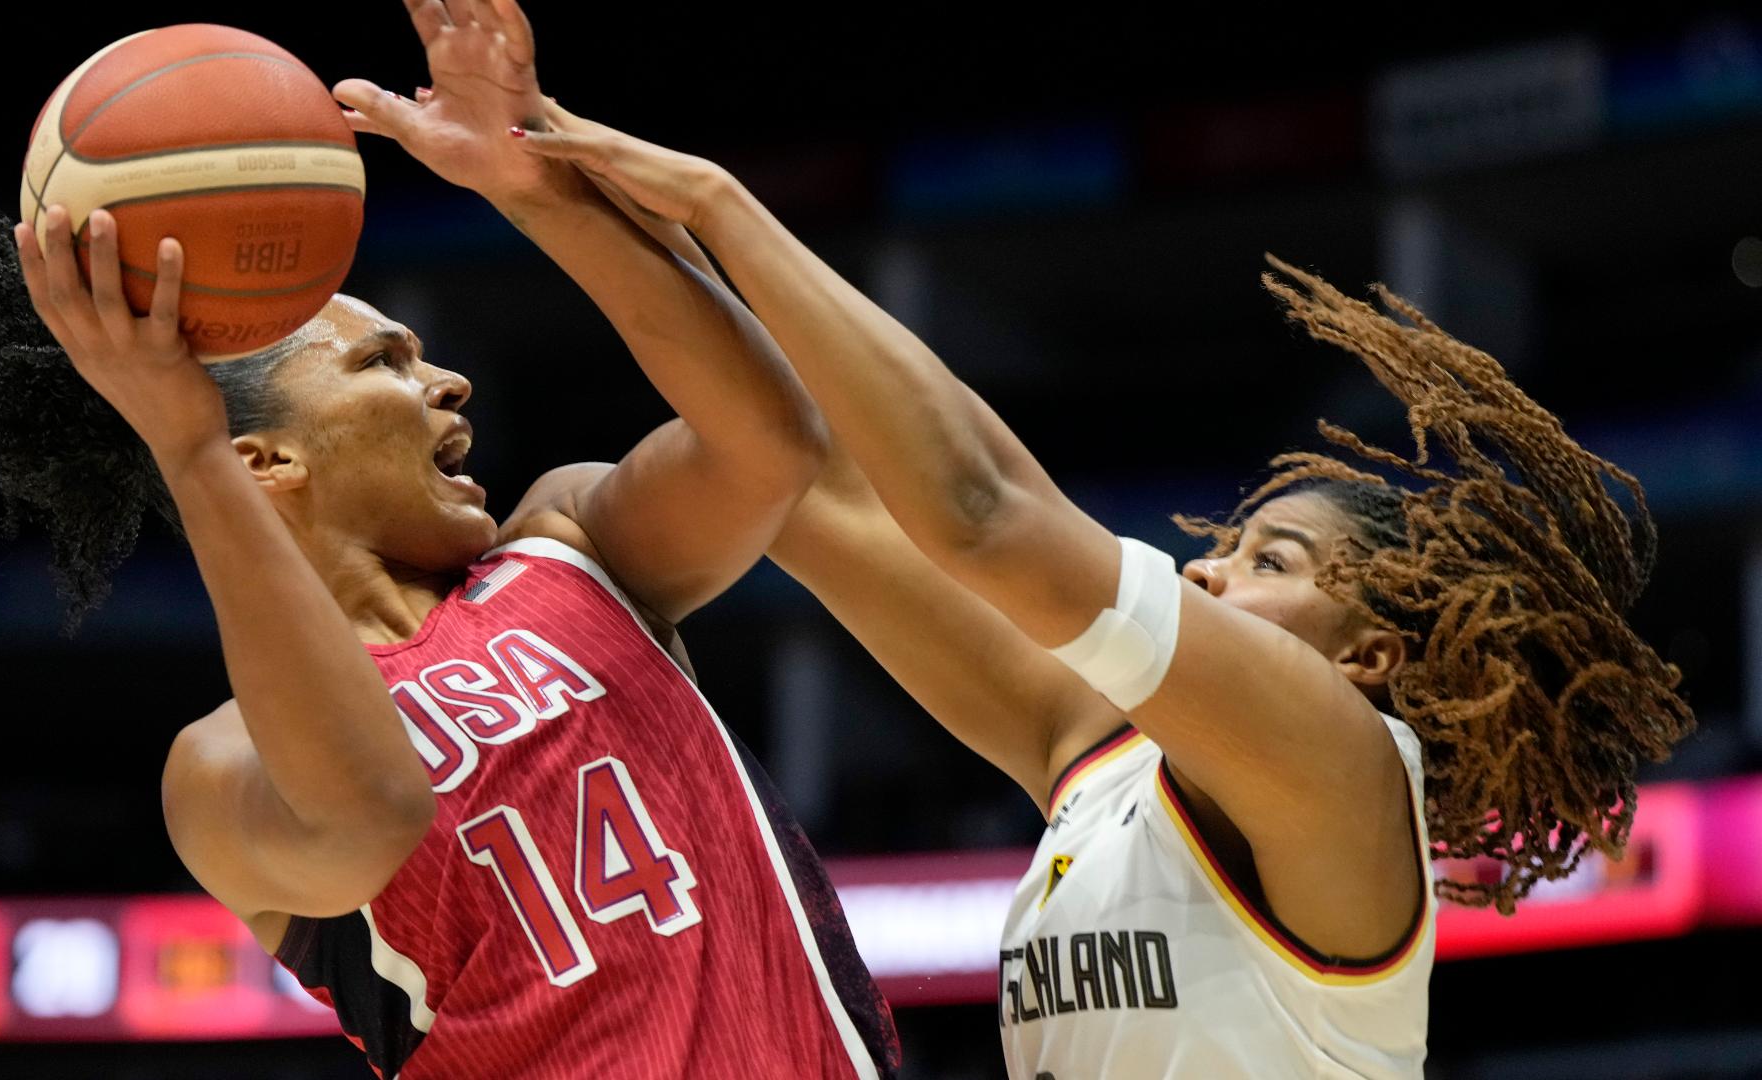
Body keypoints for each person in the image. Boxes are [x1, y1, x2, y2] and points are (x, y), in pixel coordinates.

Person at [515, 107, 1695, 1078]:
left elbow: (986, 518)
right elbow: (797, 468)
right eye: (1230, 544)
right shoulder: (1096, 755)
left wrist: (721, 205)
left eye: (1269, 563)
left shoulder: (1345, 765)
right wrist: (535, 186)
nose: (1205, 566)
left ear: (1370, 657)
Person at [0, 3, 898, 1076]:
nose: (446, 380)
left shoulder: (573, 546)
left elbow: (770, 440)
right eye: (382, 362)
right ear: (265, 463)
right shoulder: (224, 761)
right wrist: (188, 448)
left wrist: (536, 186)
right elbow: (371, 816)